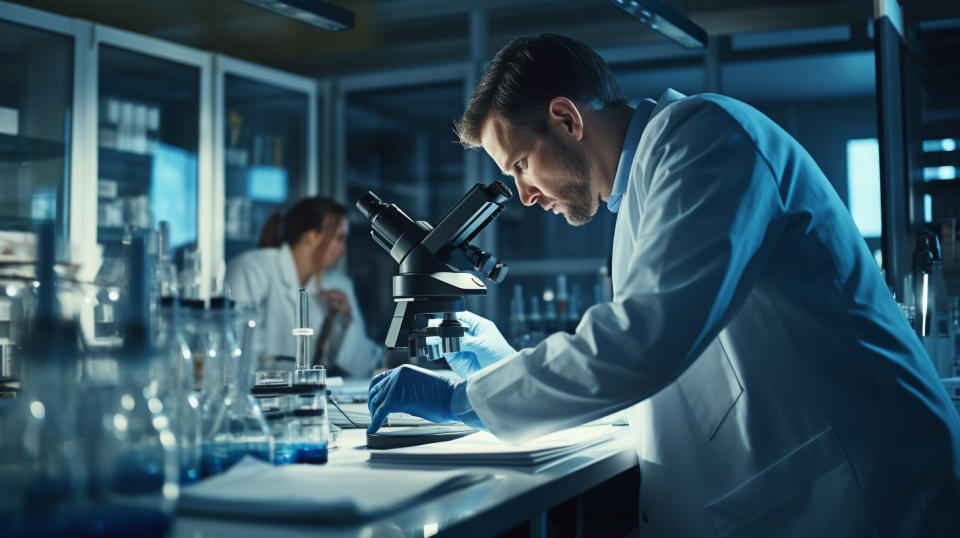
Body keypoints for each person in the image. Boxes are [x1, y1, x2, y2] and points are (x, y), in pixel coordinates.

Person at [366, 34, 960, 536]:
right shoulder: (642, 193)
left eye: (520, 164)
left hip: (865, 492)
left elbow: (644, 342)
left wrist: (465, 398)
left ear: (567, 118)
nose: (521, 193)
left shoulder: (704, 139)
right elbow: (656, 369)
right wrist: (509, 370)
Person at [226, 196, 382, 377]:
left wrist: (347, 322)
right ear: (311, 236)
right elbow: (237, 359)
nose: (343, 249)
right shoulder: (251, 270)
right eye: (339, 238)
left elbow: (364, 367)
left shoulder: (339, 285)